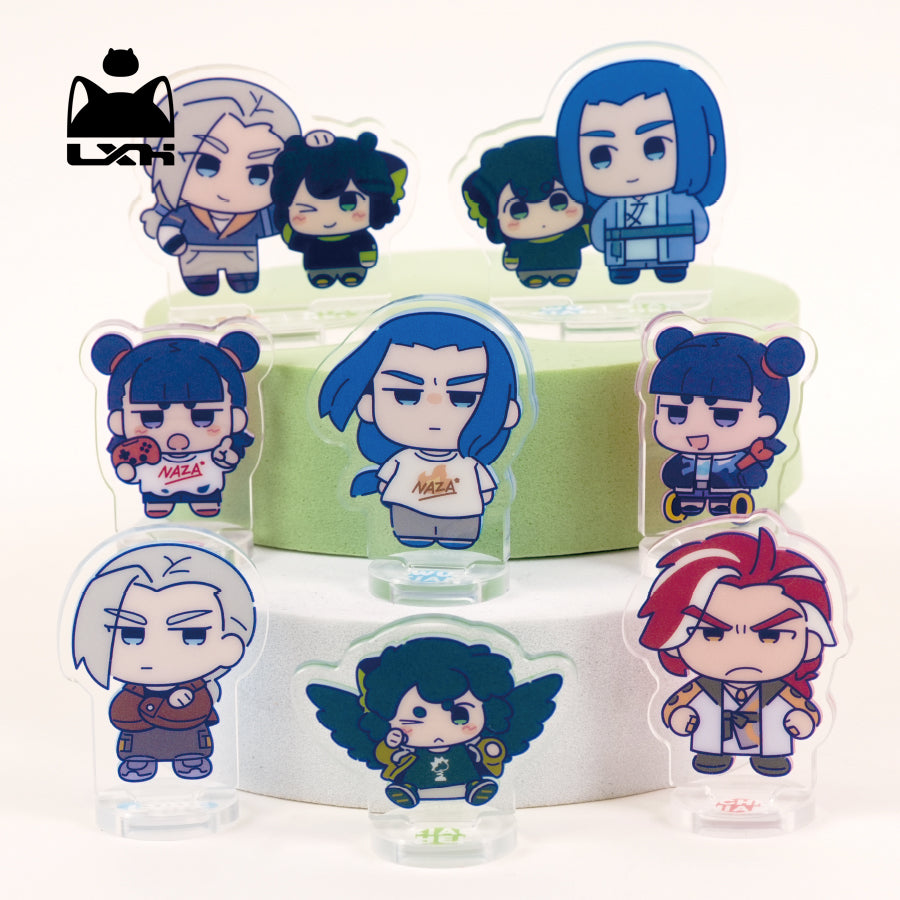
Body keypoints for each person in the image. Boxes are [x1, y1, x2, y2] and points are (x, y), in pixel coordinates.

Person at [637, 527, 836, 776]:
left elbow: (803, 707)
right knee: (710, 737)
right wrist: (680, 715)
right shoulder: (702, 689)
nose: (742, 652)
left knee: (772, 738)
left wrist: (802, 719)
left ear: (811, 643)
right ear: (674, 638)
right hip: (712, 739)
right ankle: (712, 755)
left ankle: (770, 758)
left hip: (770, 741)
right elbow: (677, 704)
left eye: (770, 636)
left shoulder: (780, 692)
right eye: (712, 633)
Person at [72, 543, 256, 782]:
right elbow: (120, 715)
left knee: (191, 745)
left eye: (193, 634)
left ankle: (190, 759)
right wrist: (161, 706)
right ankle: (139, 761)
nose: (156, 653)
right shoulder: (131, 691)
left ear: (229, 644)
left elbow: (199, 711)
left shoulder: (199, 691)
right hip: (139, 745)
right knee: (137, 749)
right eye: (131, 634)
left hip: (189, 742)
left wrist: (153, 708)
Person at [557, 58, 725, 284]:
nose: (630, 171)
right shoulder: (612, 208)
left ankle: (669, 268)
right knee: (622, 262)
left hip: (672, 251)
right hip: (622, 253)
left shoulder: (680, 203)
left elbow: (699, 227)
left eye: (655, 147)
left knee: (670, 264)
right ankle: (625, 271)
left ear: (706, 144)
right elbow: (599, 234)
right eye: (601, 156)